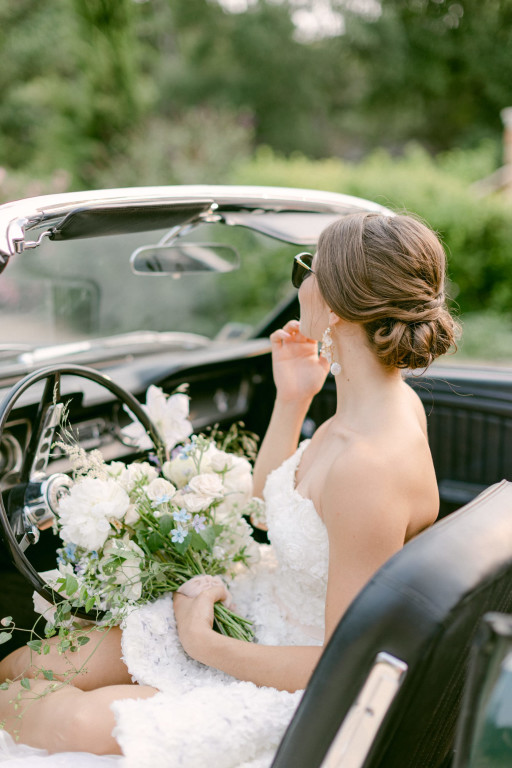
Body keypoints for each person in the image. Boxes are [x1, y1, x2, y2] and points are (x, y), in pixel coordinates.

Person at [0, 212, 459, 767]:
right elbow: (273, 507)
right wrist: (292, 399)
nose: (303, 283)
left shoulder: (370, 466)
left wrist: (206, 646)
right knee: (20, 671)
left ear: (336, 309)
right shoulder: (383, 404)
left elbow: (340, 662)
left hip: (289, 681)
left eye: (308, 269)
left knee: (48, 713)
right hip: (259, 613)